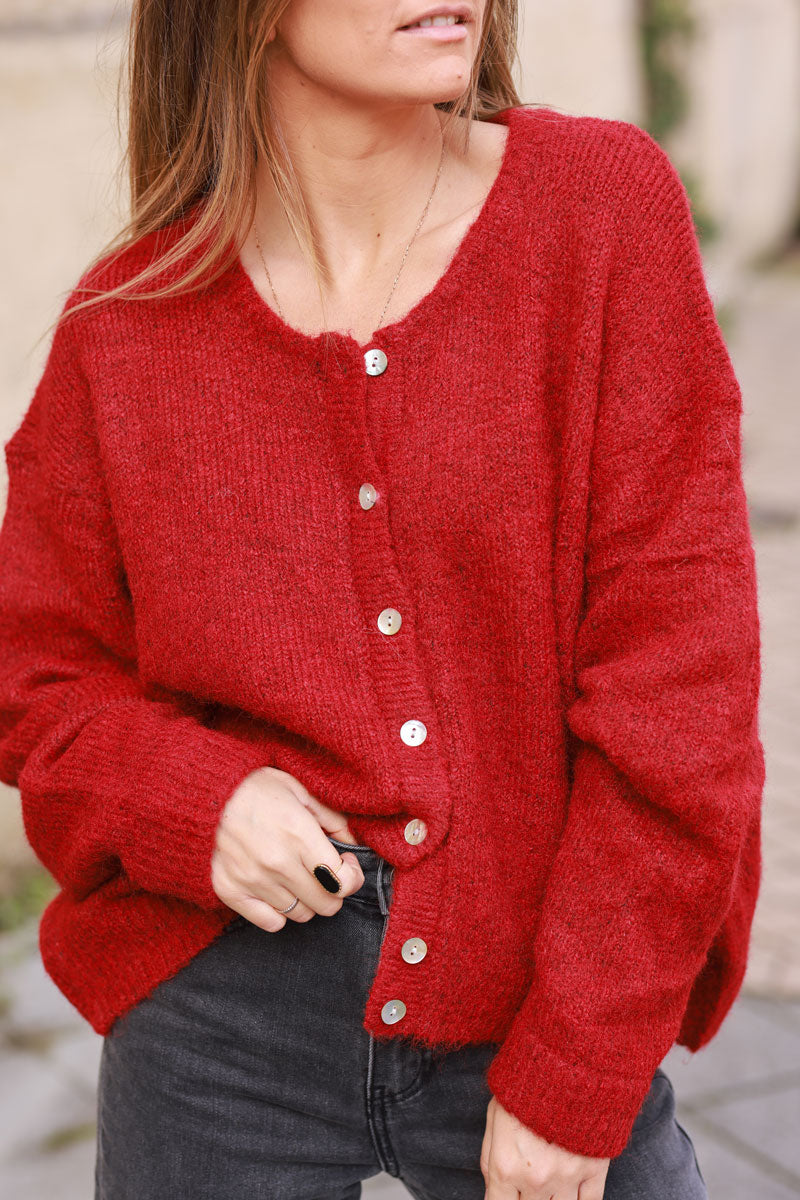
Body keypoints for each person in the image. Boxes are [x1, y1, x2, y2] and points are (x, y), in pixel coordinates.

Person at [0, 1, 764, 1198]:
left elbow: (682, 691)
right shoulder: (128, 327)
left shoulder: (595, 212)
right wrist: (190, 799)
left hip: (538, 994)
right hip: (217, 1029)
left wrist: (578, 1065)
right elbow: (34, 677)